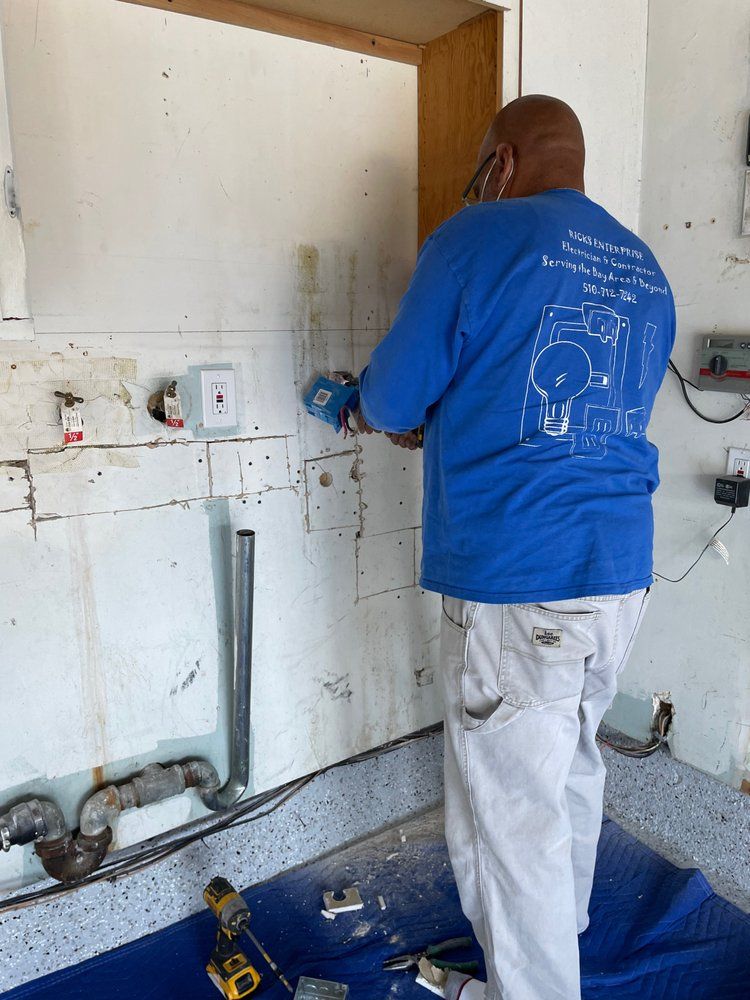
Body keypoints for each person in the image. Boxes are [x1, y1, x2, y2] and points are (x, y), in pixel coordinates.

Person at [357, 95, 675, 1000]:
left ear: (501, 161)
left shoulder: (477, 239)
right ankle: (560, 936)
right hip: (618, 572)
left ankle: (533, 983)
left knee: (507, 822)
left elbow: (388, 400)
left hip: (519, 581)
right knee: (572, 762)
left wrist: (389, 409)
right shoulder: (642, 265)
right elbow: (576, 417)